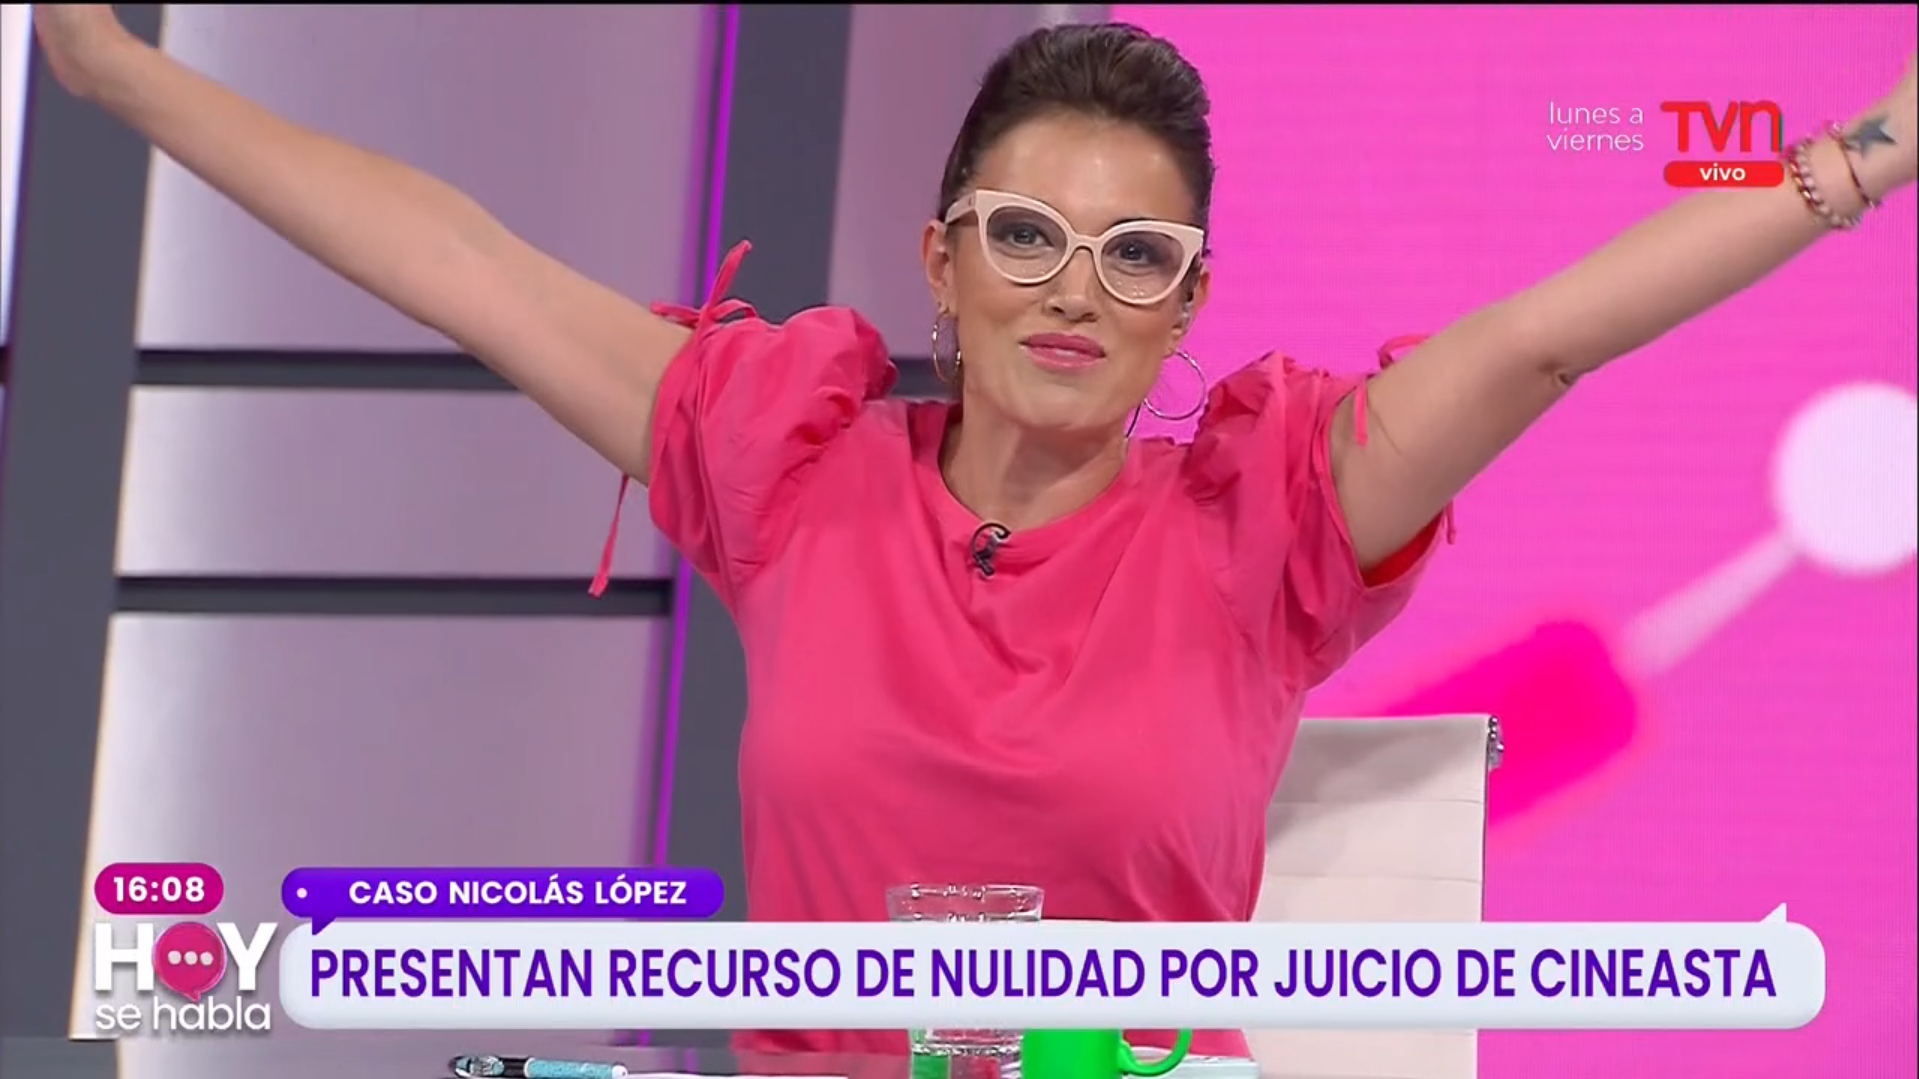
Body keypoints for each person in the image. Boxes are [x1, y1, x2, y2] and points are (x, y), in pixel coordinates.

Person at [31, 5, 1916, 1061]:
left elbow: (1544, 338)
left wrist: (1871, 155)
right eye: (1025, 236)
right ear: (941, 260)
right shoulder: (788, 467)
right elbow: (460, 261)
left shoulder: (1268, 521)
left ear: (1185, 306)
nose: (1073, 291)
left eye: (1135, 256)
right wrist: (115, 73)